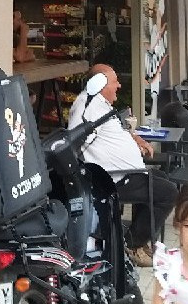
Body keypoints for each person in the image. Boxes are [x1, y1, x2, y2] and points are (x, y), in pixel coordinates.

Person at [68, 63, 177, 268]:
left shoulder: (98, 103)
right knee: (168, 192)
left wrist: (136, 139)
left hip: (127, 173)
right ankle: (132, 245)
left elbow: (114, 130)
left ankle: (139, 240)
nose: (119, 85)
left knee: (161, 179)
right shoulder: (87, 109)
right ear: (99, 83)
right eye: (115, 81)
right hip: (114, 178)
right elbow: (76, 144)